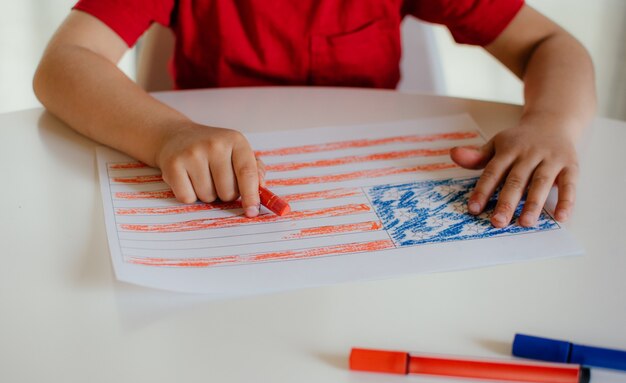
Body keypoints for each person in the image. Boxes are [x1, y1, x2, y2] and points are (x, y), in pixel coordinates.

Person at [33, 0, 596, 228]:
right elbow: (64, 63)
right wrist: (167, 133)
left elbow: (552, 44)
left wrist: (551, 120)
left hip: (361, 199)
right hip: (213, 206)